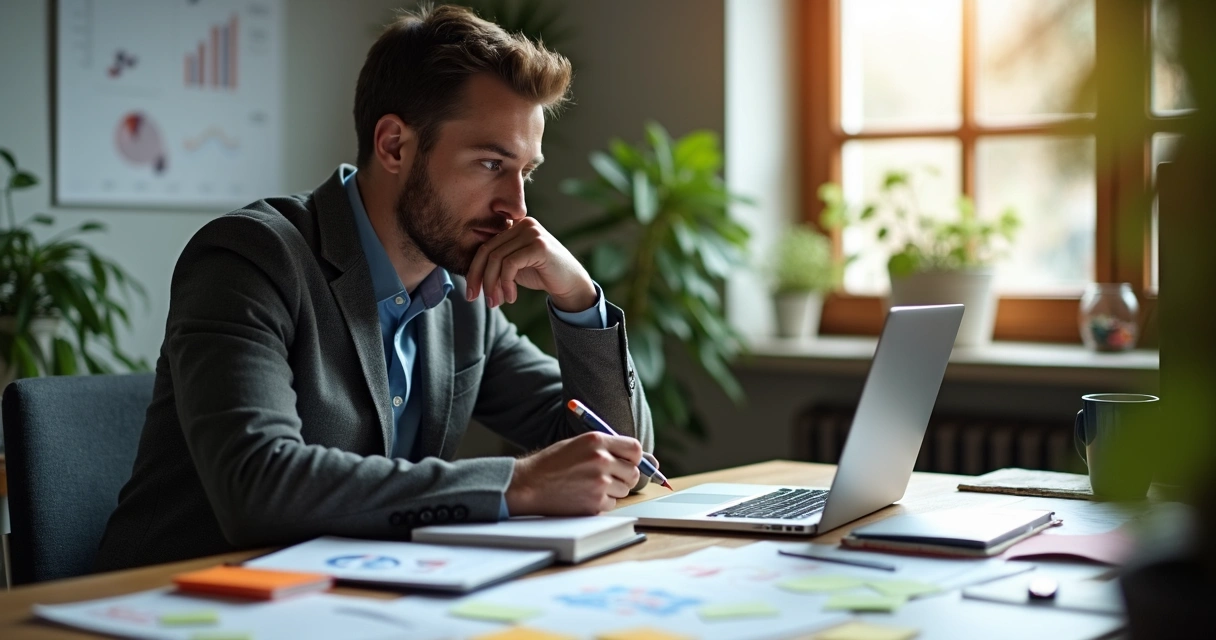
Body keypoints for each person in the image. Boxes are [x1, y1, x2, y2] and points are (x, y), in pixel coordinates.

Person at [95, 5, 653, 571]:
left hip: (353, 599)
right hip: (174, 603)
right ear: (393, 145)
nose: (517, 207)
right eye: (490, 163)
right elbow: (257, 486)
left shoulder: (462, 299)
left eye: (524, 172)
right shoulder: (248, 259)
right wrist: (516, 484)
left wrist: (579, 298)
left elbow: (623, 457)